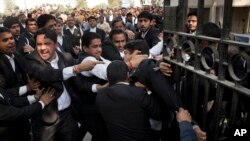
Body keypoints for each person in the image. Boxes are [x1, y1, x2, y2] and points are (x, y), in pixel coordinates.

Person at [24, 28, 102, 141]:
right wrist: (77, 68)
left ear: (55, 44)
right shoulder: (31, 60)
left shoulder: (66, 57)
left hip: (69, 115)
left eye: (47, 44)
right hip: (46, 119)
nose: (42, 48)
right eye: (39, 44)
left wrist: (98, 87)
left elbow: (78, 84)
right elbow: (47, 75)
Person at [96, 60, 162, 141]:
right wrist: (148, 90)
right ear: (128, 75)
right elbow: (159, 113)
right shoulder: (139, 93)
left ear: (108, 77)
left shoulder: (100, 95)